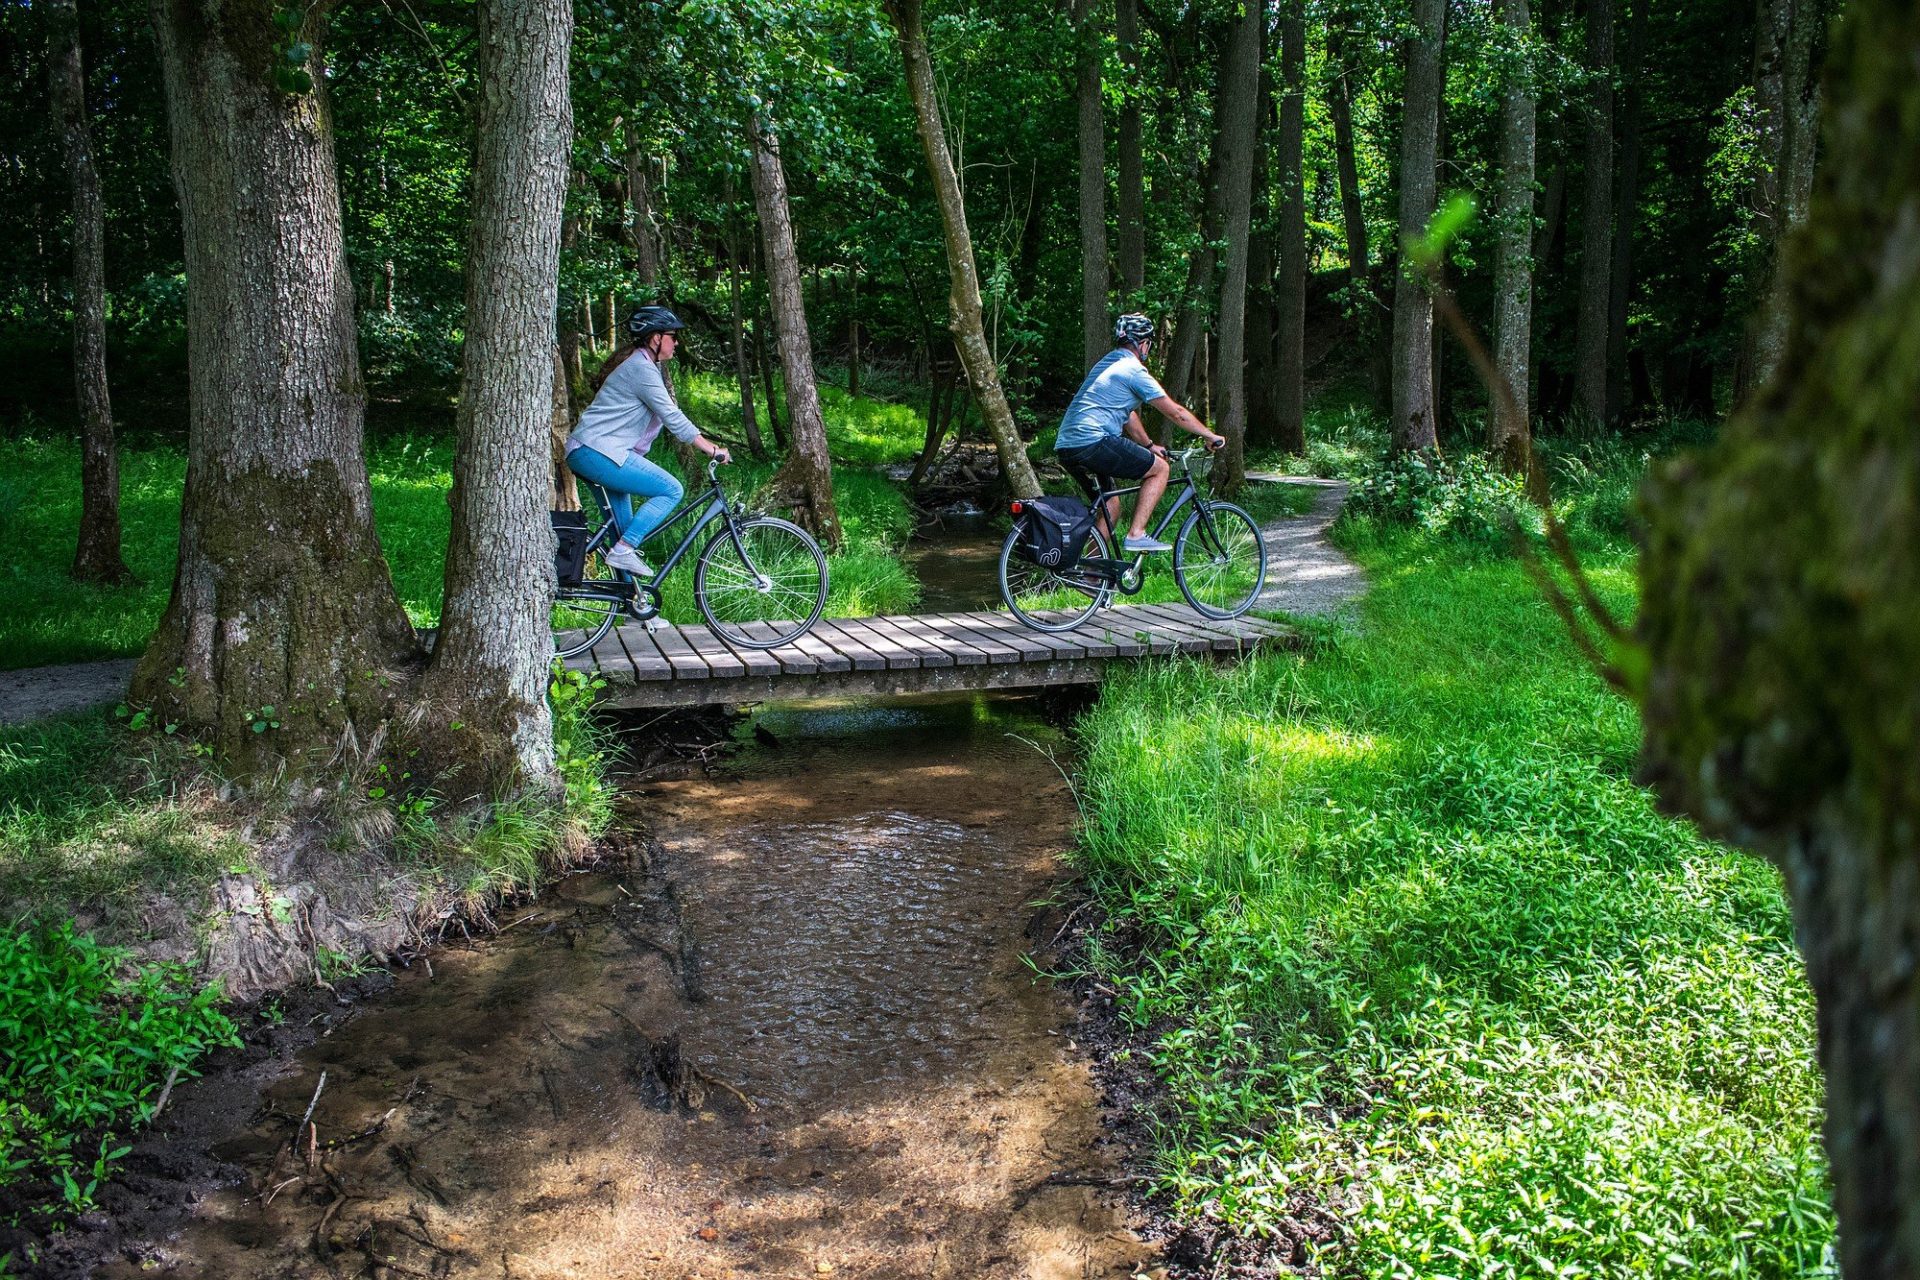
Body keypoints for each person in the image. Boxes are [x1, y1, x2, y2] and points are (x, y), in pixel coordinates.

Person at [564, 305, 731, 578]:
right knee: (670, 490)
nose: (677, 342)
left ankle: (634, 606)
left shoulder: (643, 366)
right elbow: (672, 416)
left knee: (622, 531)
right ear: (656, 338)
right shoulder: (641, 369)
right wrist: (712, 449)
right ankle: (624, 549)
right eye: (673, 336)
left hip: (594, 452)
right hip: (596, 452)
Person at [1054, 313, 1224, 553]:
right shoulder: (1133, 370)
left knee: (1111, 505)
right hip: (1094, 440)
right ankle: (1136, 534)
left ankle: (1092, 574)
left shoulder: (1107, 364)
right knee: (1160, 469)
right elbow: (1176, 413)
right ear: (1144, 344)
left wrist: (1148, 446)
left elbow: (1129, 416)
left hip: (1068, 446)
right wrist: (1209, 435)